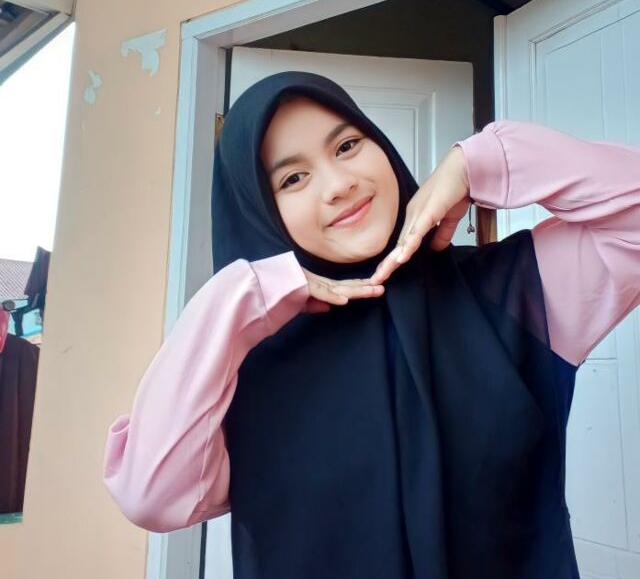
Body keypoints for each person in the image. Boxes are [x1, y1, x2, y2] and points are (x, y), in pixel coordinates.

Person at [103, 72, 640, 579]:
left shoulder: (513, 294)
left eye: (347, 146)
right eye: (293, 178)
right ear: (260, 211)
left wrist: (477, 163)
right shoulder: (243, 367)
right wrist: (239, 295)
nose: (340, 184)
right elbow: (151, 496)